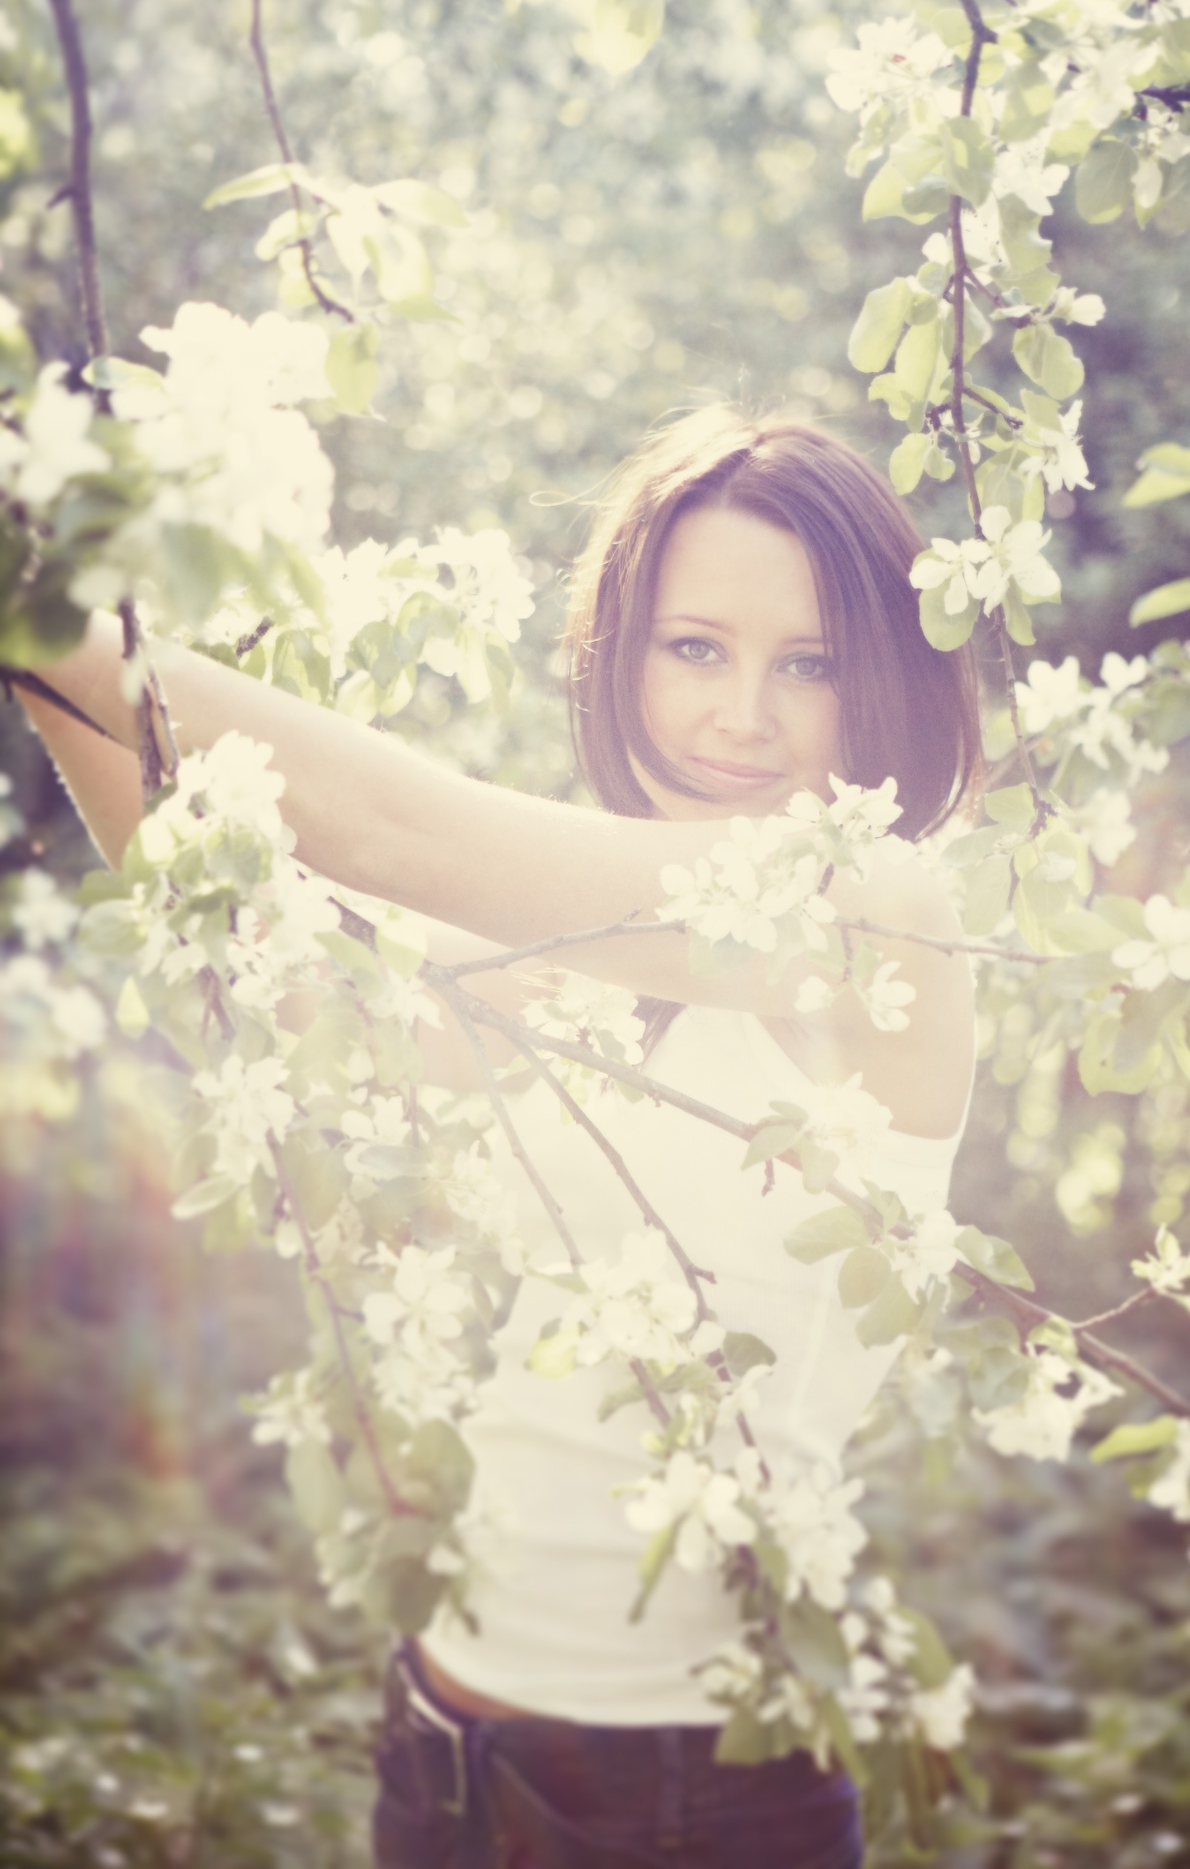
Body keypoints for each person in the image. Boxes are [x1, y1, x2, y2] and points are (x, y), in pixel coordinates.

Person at [23, 406, 980, 1869]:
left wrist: (42, 616)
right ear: (618, 652)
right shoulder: (582, 977)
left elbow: (406, 835)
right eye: (695, 647)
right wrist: (42, 658)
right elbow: (250, 970)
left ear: (888, 684)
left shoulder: (877, 922)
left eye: (812, 664)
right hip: (444, 1754)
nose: (744, 717)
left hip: (689, 1800)